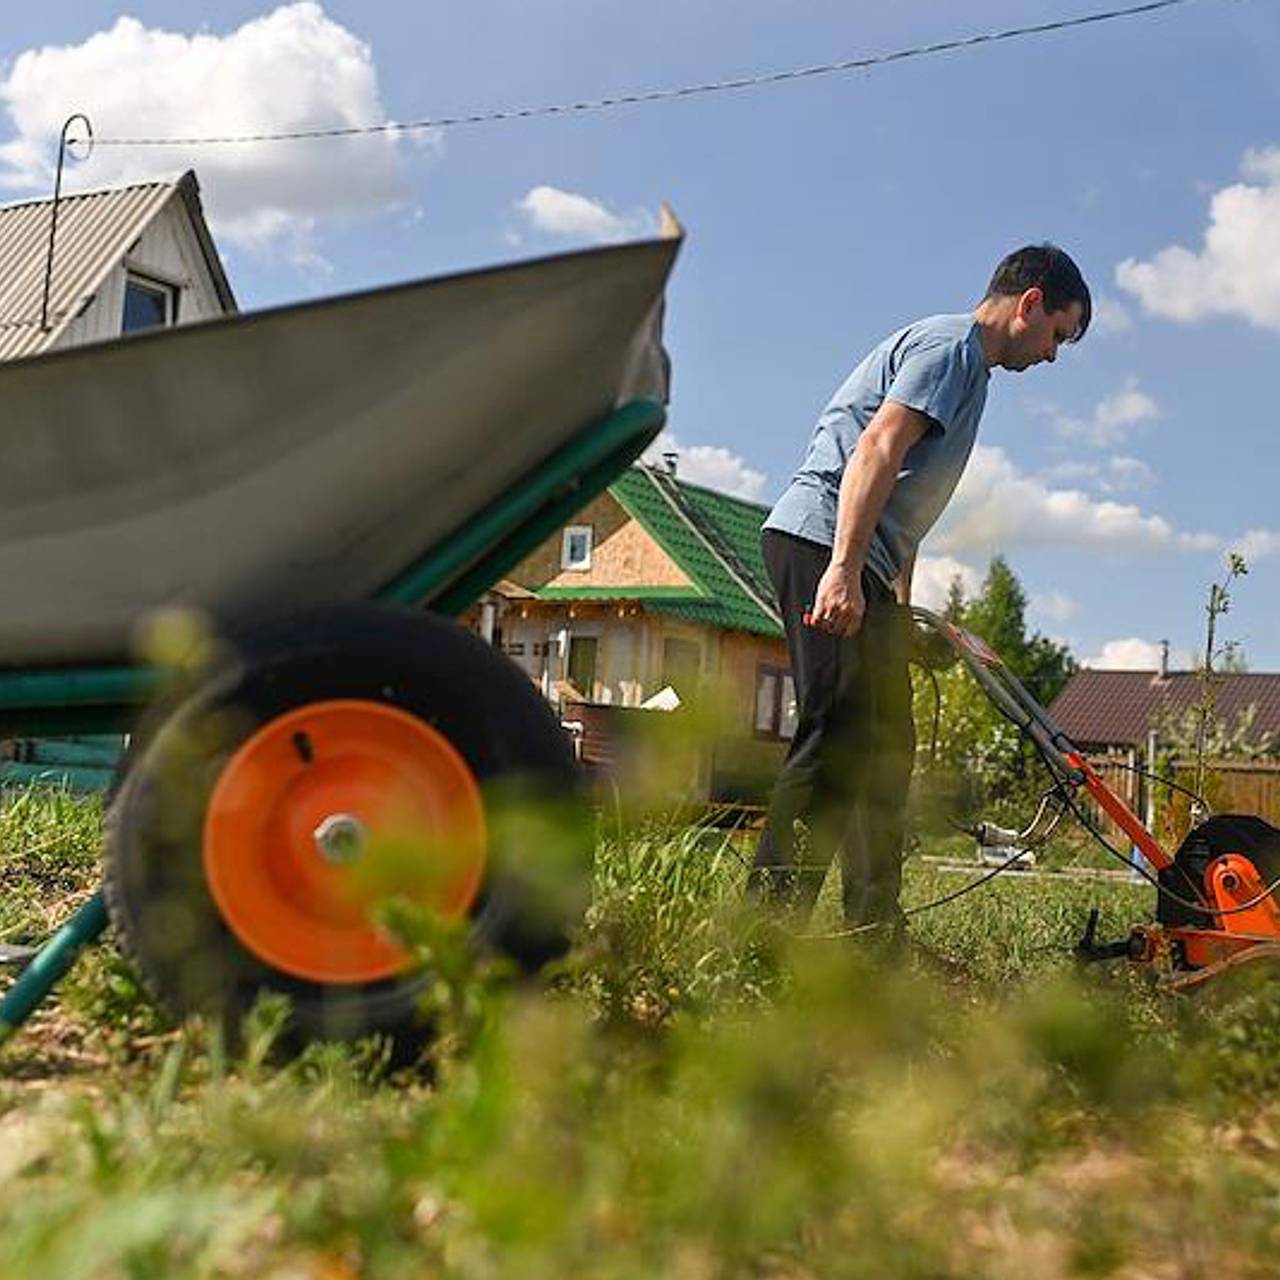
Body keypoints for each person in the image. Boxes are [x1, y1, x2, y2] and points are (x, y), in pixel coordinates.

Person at [751, 244, 1091, 932]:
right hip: (821, 541)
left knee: (888, 746)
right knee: (838, 732)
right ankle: (764, 932)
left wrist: (899, 612)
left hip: (863, 556)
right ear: (1031, 302)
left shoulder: (972, 373)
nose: (1053, 355)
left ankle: (874, 931)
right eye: (1058, 333)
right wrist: (843, 569)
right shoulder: (950, 349)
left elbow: (910, 503)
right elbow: (877, 448)